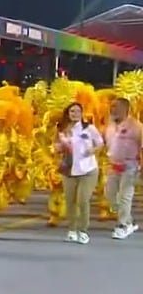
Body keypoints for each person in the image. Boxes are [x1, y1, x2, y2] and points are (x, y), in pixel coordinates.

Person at [55, 102, 103, 244]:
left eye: (77, 111)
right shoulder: (62, 130)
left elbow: (100, 142)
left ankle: (83, 231)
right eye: (72, 111)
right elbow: (56, 146)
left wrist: (92, 150)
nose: (75, 114)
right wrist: (59, 147)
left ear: (82, 113)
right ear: (68, 114)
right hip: (69, 170)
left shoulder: (89, 128)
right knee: (70, 201)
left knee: (83, 200)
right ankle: (72, 230)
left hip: (88, 170)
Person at [104, 97, 141, 240]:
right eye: (111, 106)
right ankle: (129, 220)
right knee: (110, 196)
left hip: (130, 166)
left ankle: (123, 225)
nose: (112, 109)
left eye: (115, 106)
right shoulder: (110, 125)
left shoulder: (136, 126)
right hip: (113, 165)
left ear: (126, 108)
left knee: (125, 196)